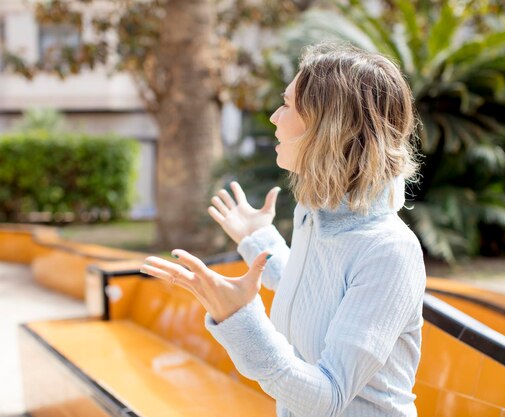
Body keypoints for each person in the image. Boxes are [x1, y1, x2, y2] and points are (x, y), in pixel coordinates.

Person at [140, 43, 426, 417]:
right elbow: (314, 289)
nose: (275, 117)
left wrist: (239, 319)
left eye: (289, 105)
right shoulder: (316, 211)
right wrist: (258, 240)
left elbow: (327, 398)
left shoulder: (389, 252)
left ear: (330, 125)